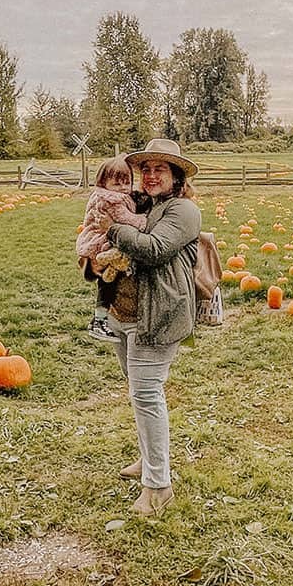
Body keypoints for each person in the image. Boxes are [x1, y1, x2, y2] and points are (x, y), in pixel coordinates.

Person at [93, 138, 201, 516]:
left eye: (161, 169)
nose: (152, 175)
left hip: (159, 315)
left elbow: (154, 249)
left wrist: (112, 230)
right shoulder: (142, 204)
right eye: (147, 169)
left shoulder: (184, 211)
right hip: (124, 312)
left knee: (147, 394)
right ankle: (149, 458)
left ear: (176, 176)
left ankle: (158, 487)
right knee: (138, 392)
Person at [75, 156, 149, 340]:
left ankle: (99, 318)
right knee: (108, 279)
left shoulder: (105, 195)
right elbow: (127, 220)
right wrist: (144, 221)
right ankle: (99, 319)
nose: (124, 188)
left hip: (99, 238)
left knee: (109, 278)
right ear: (103, 182)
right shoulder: (112, 200)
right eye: (117, 183)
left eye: (128, 182)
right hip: (101, 241)